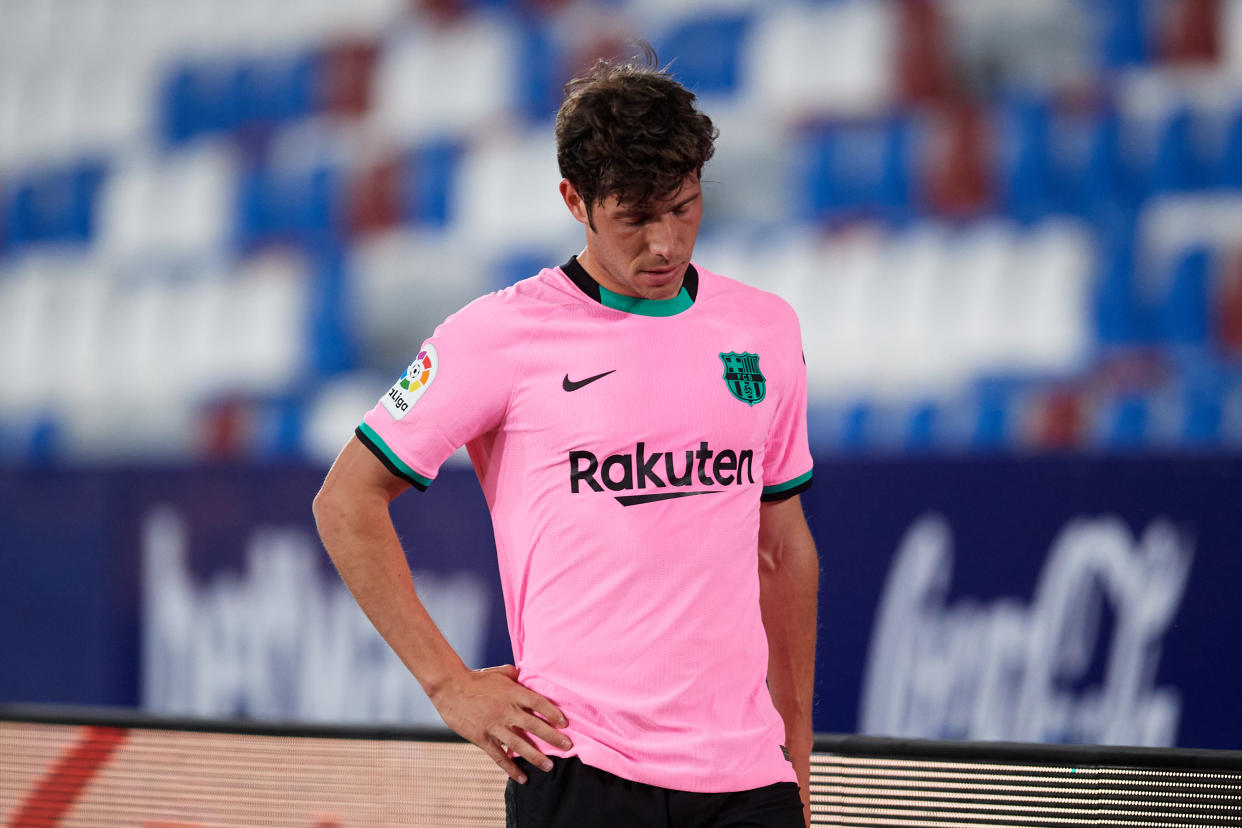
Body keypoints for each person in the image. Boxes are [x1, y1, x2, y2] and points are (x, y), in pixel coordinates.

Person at [313, 47, 819, 828]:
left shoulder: (765, 329)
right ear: (574, 201)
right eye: (635, 217)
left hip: (748, 777)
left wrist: (795, 749)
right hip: (582, 770)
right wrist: (448, 685)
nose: (665, 243)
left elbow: (781, 548)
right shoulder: (496, 335)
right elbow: (345, 500)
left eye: (683, 208)